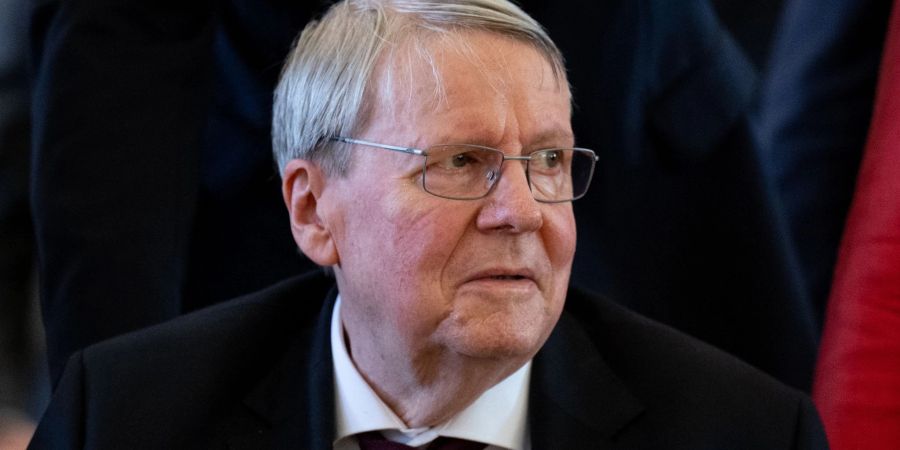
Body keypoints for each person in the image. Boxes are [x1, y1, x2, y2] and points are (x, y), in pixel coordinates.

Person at [29, 1, 828, 448]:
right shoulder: (129, 409)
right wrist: (115, 403)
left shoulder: (756, 429)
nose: (519, 209)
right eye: (467, 166)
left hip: (635, 110)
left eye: (548, 166)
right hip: (304, 157)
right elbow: (119, 48)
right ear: (310, 207)